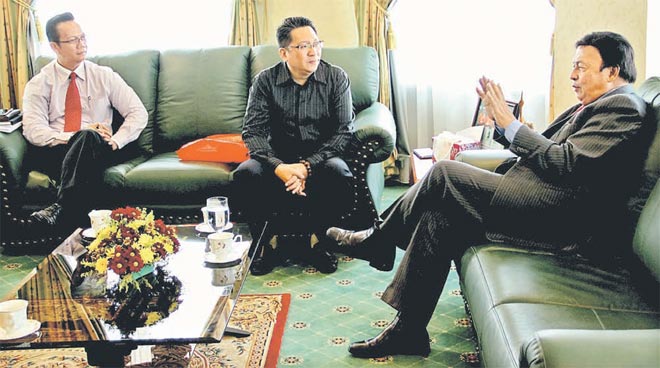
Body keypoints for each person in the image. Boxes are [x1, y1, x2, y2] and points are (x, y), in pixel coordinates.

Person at [327, 31, 653, 358]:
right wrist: (505, 125)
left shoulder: (624, 106)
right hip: (542, 200)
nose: (572, 75)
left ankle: (380, 241)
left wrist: (512, 125)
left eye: (581, 67)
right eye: (573, 66)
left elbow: (566, 164)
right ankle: (408, 330)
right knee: (440, 215)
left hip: (563, 221)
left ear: (612, 72)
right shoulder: (598, 105)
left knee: (444, 172)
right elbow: (555, 151)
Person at [232, 16, 355, 275]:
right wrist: (280, 167)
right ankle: (267, 242)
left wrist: (306, 166)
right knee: (246, 173)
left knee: (339, 172)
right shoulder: (265, 81)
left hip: (320, 158)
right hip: (277, 159)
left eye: (316, 43)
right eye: (303, 46)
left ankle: (319, 241)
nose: (313, 51)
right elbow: (252, 133)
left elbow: (343, 132)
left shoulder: (336, 78)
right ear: (284, 52)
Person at [22, 12, 148, 233]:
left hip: (101, 149)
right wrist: (76, 135)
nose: (82, 44)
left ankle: (61, 209)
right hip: (58, 151)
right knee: (86, 136)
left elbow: (138, 113)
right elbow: (33, 130)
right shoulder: (39, 83)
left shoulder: (103, 75)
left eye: (83, 37)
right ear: (55, 47)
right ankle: (79, 221)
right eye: (73, 40)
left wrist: (116, 140)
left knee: (90, 138)